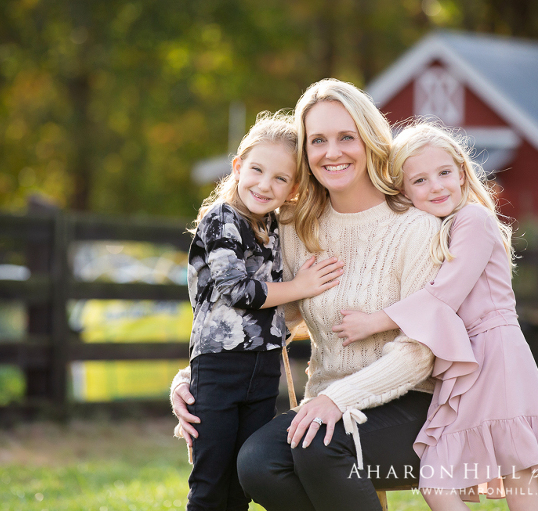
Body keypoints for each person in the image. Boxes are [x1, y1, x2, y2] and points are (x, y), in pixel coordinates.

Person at [172, 78, 441, 511]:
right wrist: (198, 377)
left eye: (346, 137)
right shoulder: (297, 226)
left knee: (319, 444)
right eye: (318, 141)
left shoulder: (416, 228)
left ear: (370, 139)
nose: (332, 152)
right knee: (257, 463)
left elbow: (419, 353)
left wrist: (339, 399)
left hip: (412, 406)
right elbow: (275, 313)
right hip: (327, 403)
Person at [333, 122, 538, 510]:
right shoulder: (432, 231)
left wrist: (374, 321)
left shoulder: (475, 219)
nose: (436, 186)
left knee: (516, 469)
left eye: (444, 173)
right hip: (462, 361)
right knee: (436, 476)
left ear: (461, 173)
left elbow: (445, 294)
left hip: (496, 353)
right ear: (404, 192)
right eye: (420, 180)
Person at [175, 111, 345, 511]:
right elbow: (236, 289)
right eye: (256, 170)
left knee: (241, 483)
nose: (265, 184)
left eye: (280, 178)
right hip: (219, 367)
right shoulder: (222, 219)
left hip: (264, 367)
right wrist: (300, 286)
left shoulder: (272, 225)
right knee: (210, 481)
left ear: (294, 189)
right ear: (238, 167)